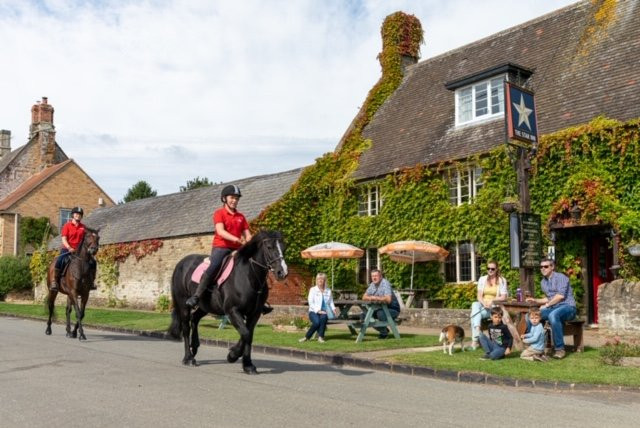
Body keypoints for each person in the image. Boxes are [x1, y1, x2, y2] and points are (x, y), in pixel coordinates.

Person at [186, 185, 272, 314]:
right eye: (232, 197)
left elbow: (247, 235)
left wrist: (251, 242)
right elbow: (220, 231)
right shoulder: (219, 213)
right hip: (221, 247)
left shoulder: (241, 217)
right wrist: (237, 239)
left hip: (238, 249)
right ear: (224, 199)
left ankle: (259, 301)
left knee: (254, 265)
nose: (234, 200)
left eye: (237, 198)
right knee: (214, 265)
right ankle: (197, 296)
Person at [525, 258, 577, 359]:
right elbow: (548, 298)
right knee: (529, 316)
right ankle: (535, 346)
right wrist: (534, 300)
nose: (543, 269)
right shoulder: (543, 282)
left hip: (568, 307)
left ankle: (559, 349)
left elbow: (560, 296)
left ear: (552, 267)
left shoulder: (561, 277)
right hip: (554, 308)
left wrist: (547, 305)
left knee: (553, 315)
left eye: (546, 266)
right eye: (541, 267)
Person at [51, 207, 96, 291]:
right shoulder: (67, 226)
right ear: (73, 215)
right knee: (59, 260)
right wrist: (69, 247)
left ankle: (92, 282)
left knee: (93, 262)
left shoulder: (83, 227)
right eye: (76, 214)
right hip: (67, 249)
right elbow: (64, 239)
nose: (78, 216)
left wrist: (93, 234)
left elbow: (89, 235)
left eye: (80, 215)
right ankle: (54, 281)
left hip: (79, 251)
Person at [469, 260, 508, 349]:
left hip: (493, 308)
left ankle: (475, 341)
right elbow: (479, 296)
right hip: (483, 306)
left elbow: (503, 297)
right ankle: (478, 331)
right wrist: (484, 303)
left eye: (492, 269)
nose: (490, 270)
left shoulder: (502, 280)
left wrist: (492, 301)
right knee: (475, 304)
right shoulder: (482, 279)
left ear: (497, 269)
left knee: (473, 315)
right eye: (488, 268)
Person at [299, 272, 338, 343]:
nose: (320, 280)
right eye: (318, 279)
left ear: (324, 280)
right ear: (316, 280)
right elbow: (311, 302)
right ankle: (306, 337)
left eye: (321, 279)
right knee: (317, 322)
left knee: (323, 318)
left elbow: (331, 301)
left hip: (325, 311)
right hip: (313, 312)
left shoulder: (328, 290)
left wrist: (333, 308)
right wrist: (318, 311)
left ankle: (321, 337)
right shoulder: (313, 290)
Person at [362, 269, 401, 339]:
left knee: (380, 314)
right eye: (372, 276)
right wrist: (372, 297)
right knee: (364, 315)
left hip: (393, 309)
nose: (374, 278)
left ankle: (383, 333)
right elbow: (364, 297)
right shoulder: (372, 285)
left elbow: (388, 299)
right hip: (379, 309)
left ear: (380, 276)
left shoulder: (385, 283)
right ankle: (384, 330)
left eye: (376, 276)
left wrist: (375, 298)